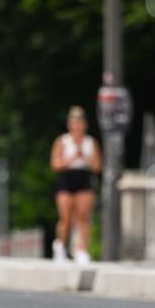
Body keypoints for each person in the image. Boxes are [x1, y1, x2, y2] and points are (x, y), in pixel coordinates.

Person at [50, 105, 102, 264]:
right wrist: (70, 159)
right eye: (75, 123)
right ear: (70, 125)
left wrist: (84, 158)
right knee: (65, 218)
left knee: (83, 218)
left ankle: (82, 250)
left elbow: (97, 165)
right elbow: (55, 164)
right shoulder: (62, 141)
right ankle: (60, 247)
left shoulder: (90, 142)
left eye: (80, 123)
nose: (78, 127)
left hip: (84, 177)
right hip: (67, 177)